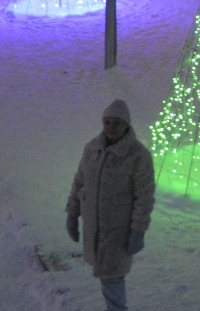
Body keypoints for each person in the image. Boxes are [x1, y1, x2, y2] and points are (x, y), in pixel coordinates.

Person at [66, 99, 155, 311]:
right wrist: (72, 214)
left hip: (118, 230)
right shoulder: (92, 149)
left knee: (112, 276)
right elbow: (80, 182)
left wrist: (138, 231)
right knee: (108, 276)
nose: (110, 128)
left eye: (116, 123)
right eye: (107, 122)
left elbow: (144, 197)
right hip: (94, 227)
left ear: (126, 125)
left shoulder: (138, 155)